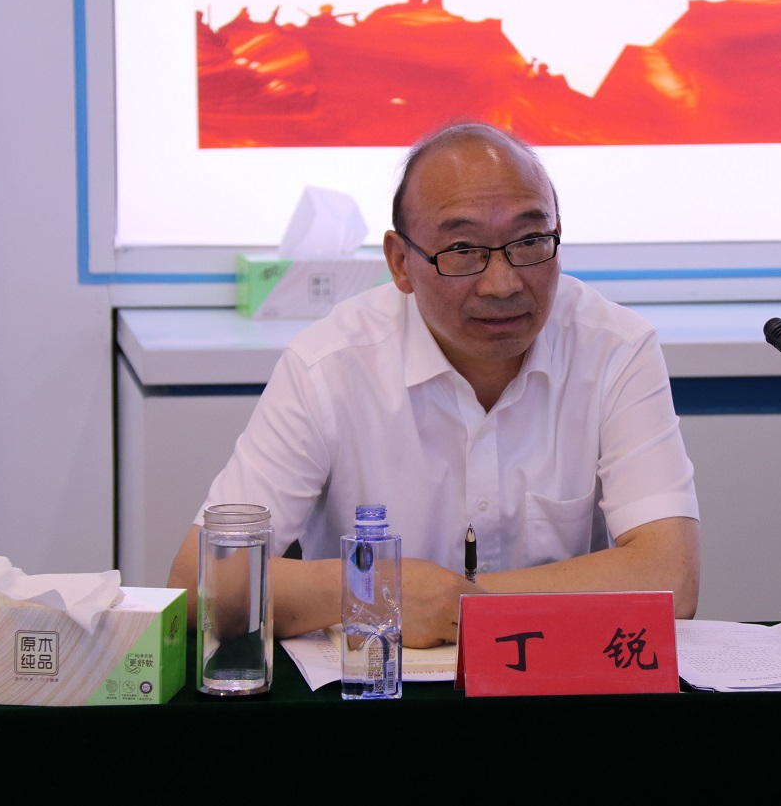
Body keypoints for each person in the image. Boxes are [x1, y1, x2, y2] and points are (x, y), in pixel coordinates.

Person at [168, 121, 700, 648]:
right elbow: (200, 582)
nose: (503, 283)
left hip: (555, 680)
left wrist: (449, 602)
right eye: (464, 249)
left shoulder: (615, 348)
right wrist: (376, 589)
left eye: (530, 241)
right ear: (400, 263)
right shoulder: (327, 365)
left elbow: (671, 576)